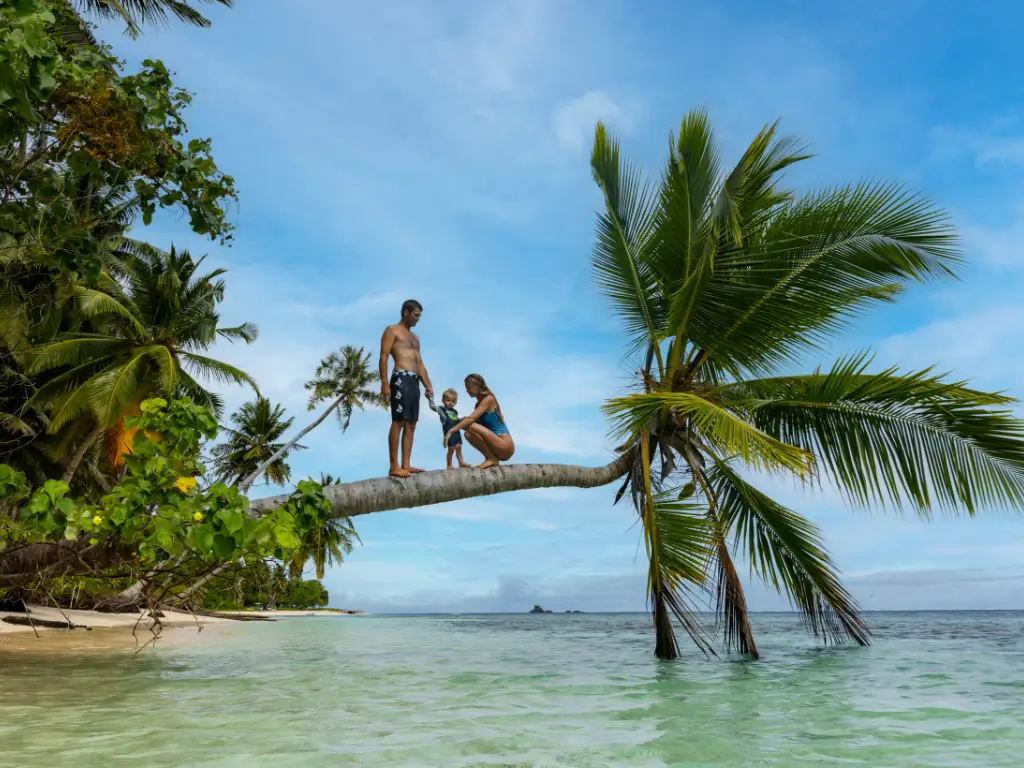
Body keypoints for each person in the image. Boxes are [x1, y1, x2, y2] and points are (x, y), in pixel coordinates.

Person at [379, 299, 434, 478]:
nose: (418, 319)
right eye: (416, 315)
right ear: (405, 312)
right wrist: (384, 383)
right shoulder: (391, 330)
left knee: (411, 424)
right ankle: (394, 466)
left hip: (414, 380)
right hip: (400, 378)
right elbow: (384, 356)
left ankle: (406, 464)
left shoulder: (415, 338)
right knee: (399, 421)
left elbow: (420, 362)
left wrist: (428, 385)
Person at [444, 373, 515, 469]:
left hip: (505, 445)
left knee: (469, 424)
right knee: (468, 433)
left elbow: (470, 420)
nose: (467, 390)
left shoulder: (489, 399)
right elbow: (469, 422)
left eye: (469, 387)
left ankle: (491, 459)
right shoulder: (478, 405)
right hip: (495, 446)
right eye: (466, 387)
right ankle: (491, 458)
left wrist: (451, 431)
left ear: (477, 386)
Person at [427, 388, 471, 470]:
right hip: (448, 432)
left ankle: (461, 462)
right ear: (443, 400)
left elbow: (456, 420)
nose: (450, 403)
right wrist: (430, 398)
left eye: (453, 401)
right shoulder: (441, 409)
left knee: (458, 447)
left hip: (456, 432)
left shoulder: (455, 411)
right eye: (448, 400)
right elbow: (432, 406)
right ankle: (449, 465)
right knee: (451, 449)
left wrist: (461, 419)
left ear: (455, 402)